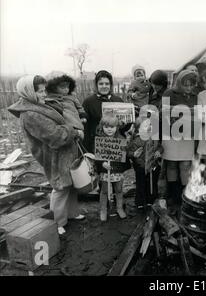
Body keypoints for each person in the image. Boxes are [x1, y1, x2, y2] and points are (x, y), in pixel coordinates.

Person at [8, 75, 85, 235]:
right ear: (29, 92)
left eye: (44, 90)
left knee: (69, 185)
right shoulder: (30, 114)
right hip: (54, 155)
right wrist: (74, 131)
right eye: (40, 91)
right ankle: (57, 222)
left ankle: (71, 213)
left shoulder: (37, 105)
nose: (44, 94)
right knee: (60, 187)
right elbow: (55, 135)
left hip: (63, 152)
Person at [162, 70, 198, 211]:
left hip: (188, 134)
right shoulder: (169, 93)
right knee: (171, 164)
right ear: (179, 83)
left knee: (184, 164)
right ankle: (173, 194)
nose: (188, 88)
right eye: (185, 85)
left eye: (191, 85)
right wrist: (184, 110)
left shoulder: (195, 95)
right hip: (171, 133)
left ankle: (184, 194)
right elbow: (162, 110)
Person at [82, 70, 128, 153]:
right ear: (96, 85)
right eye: (101, 84)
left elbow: (124, 128)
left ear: (110, 85)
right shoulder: (88, 102)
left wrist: (126, 123)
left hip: (116, 146)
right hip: (96, 146)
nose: (104, 86)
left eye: (107, 84)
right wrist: (87, 150)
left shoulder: (118, 100)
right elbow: (86, 129)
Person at [95, 115, 130, 221]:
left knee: (119, 189)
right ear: (102, 127)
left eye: (112, 127)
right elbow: (96, 155)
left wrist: (126, 147)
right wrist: (102, 163)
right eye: (106, 127)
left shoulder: (121, 139)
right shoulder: (100, 139)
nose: (109, 129)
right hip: (106, 170)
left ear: (117, 127)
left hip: (117, 169)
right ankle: (103, 210)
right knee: (104, 191)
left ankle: (119, 208)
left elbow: (124, 154)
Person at [127, 117, 163, 210]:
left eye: (150, 125)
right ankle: (140, 202)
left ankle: (151, 200)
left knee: (152, 184)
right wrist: (134, 154)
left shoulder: (154, 138)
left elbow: (160, 147)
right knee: (141, 185)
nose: (149, 127)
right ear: (139, 129)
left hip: (153, 166)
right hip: (141, 167)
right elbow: (128, 153)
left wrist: (159, 151)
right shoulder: (136, 141)